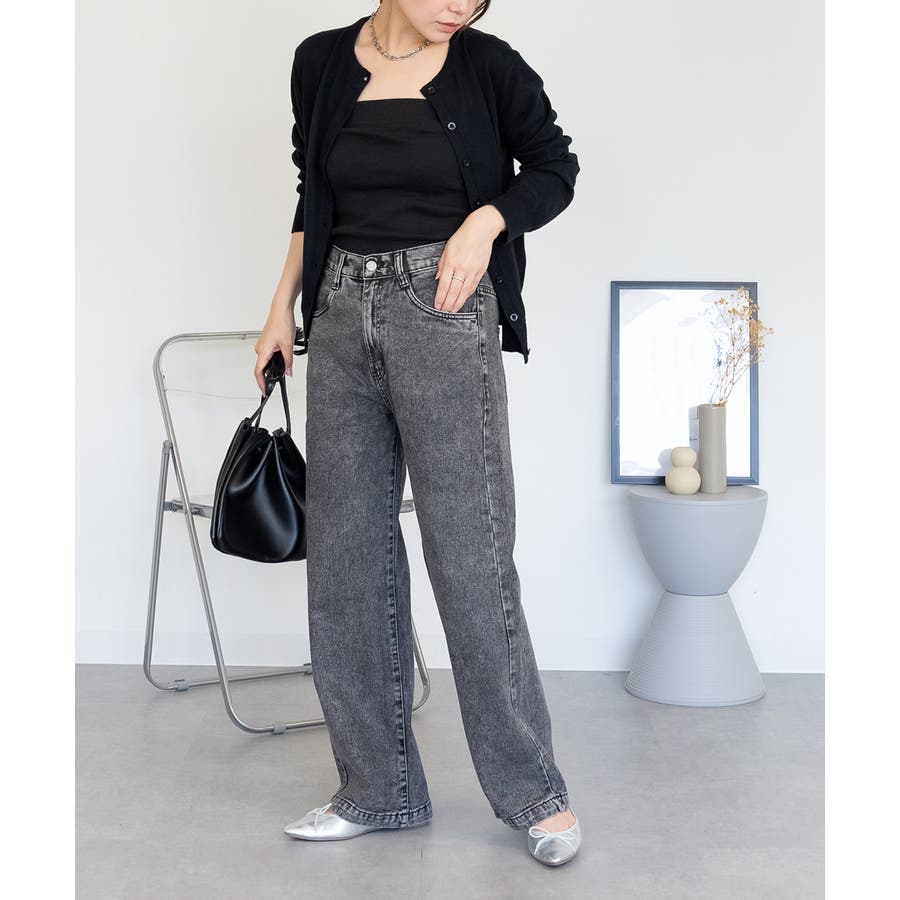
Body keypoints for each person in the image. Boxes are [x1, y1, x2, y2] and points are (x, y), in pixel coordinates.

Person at [254, 1, 581, 867]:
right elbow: (312, 193)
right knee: (346, 562)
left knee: (470, 556)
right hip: (337, 313)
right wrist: (280, 309)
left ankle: (535, 795)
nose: (460, 7)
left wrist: (486, 220)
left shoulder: (489, 64)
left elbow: (555, 168)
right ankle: (377, 789)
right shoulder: (321, 61)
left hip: (441, 309)